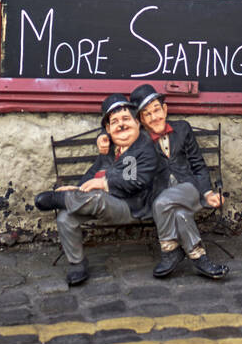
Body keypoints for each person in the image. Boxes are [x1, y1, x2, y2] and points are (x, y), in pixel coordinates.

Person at [100, 84, 229, 279]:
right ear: (140, 120)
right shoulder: (138, 140)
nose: (154, 117)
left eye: (157, 110)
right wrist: (102, 138)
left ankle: (169, 250)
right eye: (147, 114)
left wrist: (207, 192)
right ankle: (200, 259)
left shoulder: (182, 128)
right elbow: (116, 139)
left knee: (163, 203)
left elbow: (198, 164)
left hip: (188, 189)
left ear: (165, 109)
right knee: (177, 211)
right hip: (160, 193)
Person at [34, 93, 160, 287]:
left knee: (97, 198)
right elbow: (95, 172)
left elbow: (134, 182)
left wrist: (103, 184)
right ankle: (77, 264)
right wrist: (78, 187)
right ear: (108, 129)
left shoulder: (144, 149)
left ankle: (62, 199)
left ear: (137, 123)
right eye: (114, 122)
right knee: (66, 217)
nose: (121, 125)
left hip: (132, 207)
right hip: (102, 204)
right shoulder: (109, 149)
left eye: (126, 119)